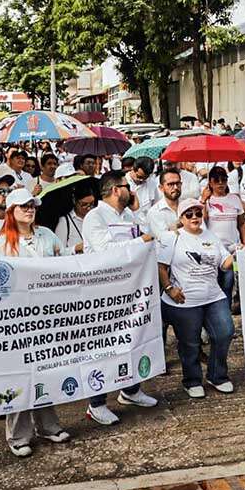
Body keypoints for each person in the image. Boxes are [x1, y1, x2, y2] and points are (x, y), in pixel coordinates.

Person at [0, 189, 72, 456]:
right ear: (11, 211)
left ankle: (48, 425)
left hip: (47, 316)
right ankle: (19, 435)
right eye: (23, 206)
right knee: (19, 375)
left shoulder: (47, 235)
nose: (29, 210)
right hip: (17, 320)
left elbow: (63, 261)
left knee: (45, 370)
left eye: (32, 205)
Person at [81, 172, 158, 424]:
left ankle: (131, 389)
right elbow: (105, 250)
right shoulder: (95, 216)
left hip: (129, 289)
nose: (131, 190)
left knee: (131, 339)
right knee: (102, 348)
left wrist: (138, 212)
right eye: (127, 187)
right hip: (103, 292)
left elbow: (150, 234)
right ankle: (97, 402)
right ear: (116, 190)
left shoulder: (128, 214)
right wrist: (140, 240)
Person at [157, 199, 235, 398]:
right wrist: (169, 288)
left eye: (198, 214)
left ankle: (217, 375)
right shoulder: (171, 237)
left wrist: (237, 254)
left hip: (213, 295)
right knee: (189, 343)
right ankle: (191, 380)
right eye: (189, 214)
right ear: (181, 218)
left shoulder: (211, 235)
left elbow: (224, 264)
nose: (194, 217)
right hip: (185, 300)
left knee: (225, 332)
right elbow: (161, 267)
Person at [202, 167, 245, 304]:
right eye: (216, 180)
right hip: (212, 249)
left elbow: (242, 223)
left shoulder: (234, 199)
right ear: (210, 182)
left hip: (232, 248)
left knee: (228, 283)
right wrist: (203, 200)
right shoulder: (206, 201)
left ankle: (226, 311)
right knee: (213, 284)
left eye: (223, 180)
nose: (220, 183)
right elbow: (202, 221)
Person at [146, 168, 183, 238]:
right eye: (170, 184)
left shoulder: (188, 206)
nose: (175, 187)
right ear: (161, 188)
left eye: (178, 183)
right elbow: (161, 239)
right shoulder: (154, 212)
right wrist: (174, 228)